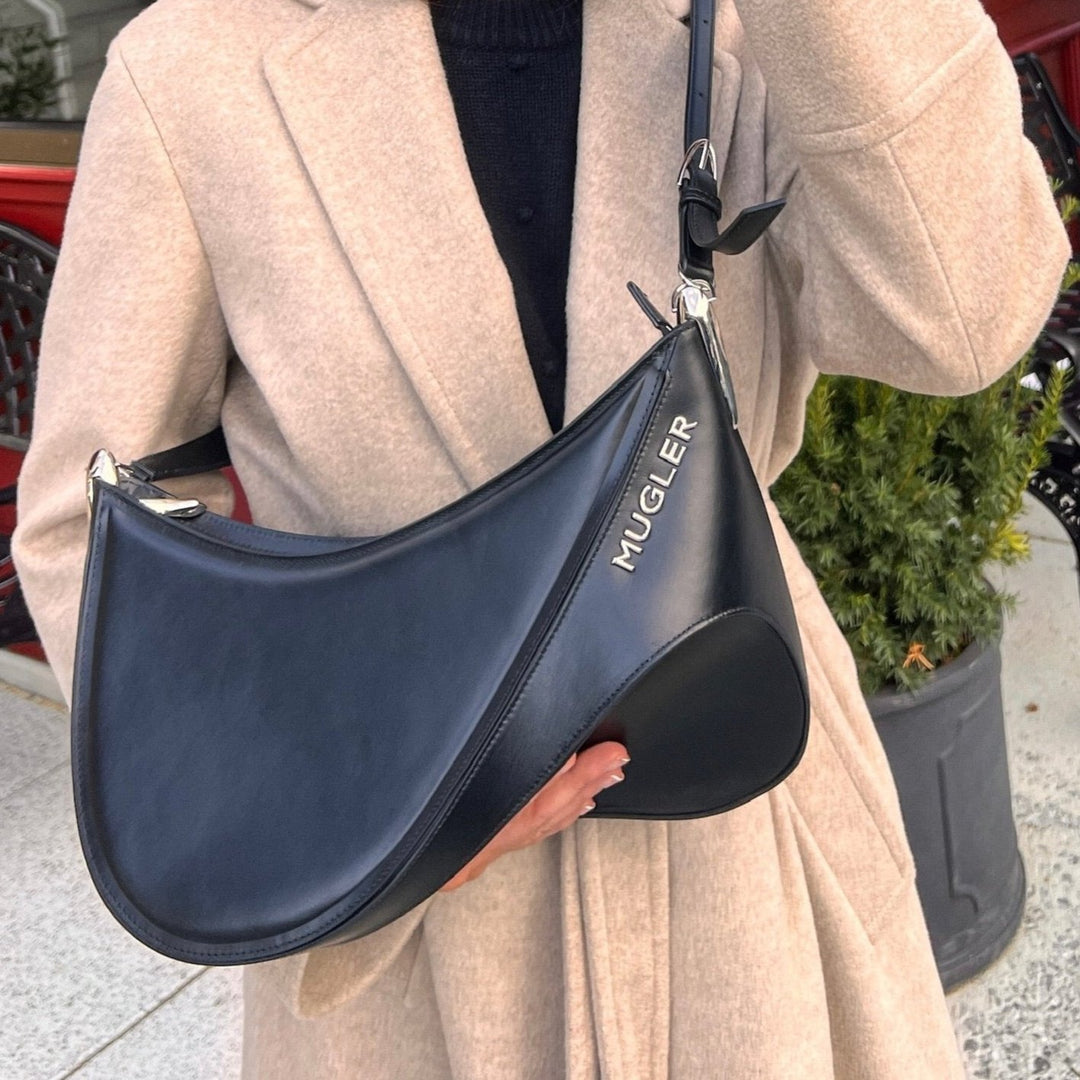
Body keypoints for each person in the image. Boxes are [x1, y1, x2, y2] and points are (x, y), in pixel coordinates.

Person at [12, 0, 1068, 1076]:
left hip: (752, 864)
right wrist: (394, 805)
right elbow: (93, 527)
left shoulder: (749, 26)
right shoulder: (193, 68)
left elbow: (959, 319)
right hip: (411, 943)